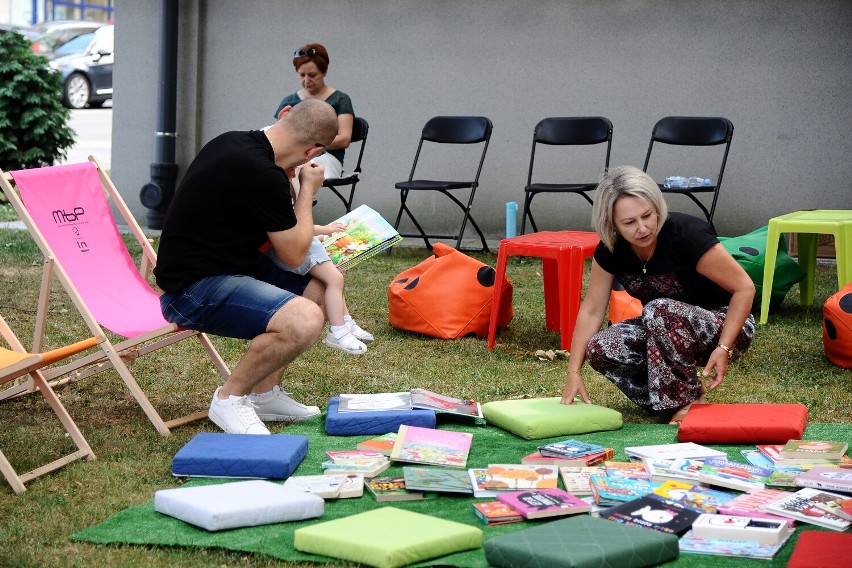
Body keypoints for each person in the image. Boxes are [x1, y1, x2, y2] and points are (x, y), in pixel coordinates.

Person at [154, 98, 339, 435]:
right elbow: (294, 255)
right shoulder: (262, 173)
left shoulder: (233, 141)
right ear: (312, 152)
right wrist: (307, 189)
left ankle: (265, 395)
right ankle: (229, 399)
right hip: (191, 289)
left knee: (320, 290)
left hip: (226, 267)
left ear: (284, 115)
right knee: (304, 319)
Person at [560, 166, 756, 424]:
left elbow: (745, 288)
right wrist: (574, 371)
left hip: (723, 324)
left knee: (658, 309)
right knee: (601, 347)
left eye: (647, 216)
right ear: (613, 225)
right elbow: (592, 310)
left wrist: (724, 347)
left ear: (657, 207)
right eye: (629, 222)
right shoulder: (610, 249)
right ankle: (679, 399)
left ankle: (684, 402)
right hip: (661, 327)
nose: (642, 228)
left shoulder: (686, 235)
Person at [264, 175, 374, 355]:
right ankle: (337, 330)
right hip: (293, 244)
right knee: (334, 278)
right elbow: (293, 224)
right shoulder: (277, 179)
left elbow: (295, 219)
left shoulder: (285, 174)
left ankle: (345, 321)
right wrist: (323, 229)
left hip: (301, 240)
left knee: (334, 277)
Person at [273, 43, 353, 180]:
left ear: (324, 72)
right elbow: (278, 137)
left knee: (295, 169)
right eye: (301, 75)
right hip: (294, 157)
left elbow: (345, 139)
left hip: (327, 158)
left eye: (312, 75)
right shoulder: (289, 101)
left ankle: (299, 200)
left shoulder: (340, 99)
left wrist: (307, 144)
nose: (306, 81)